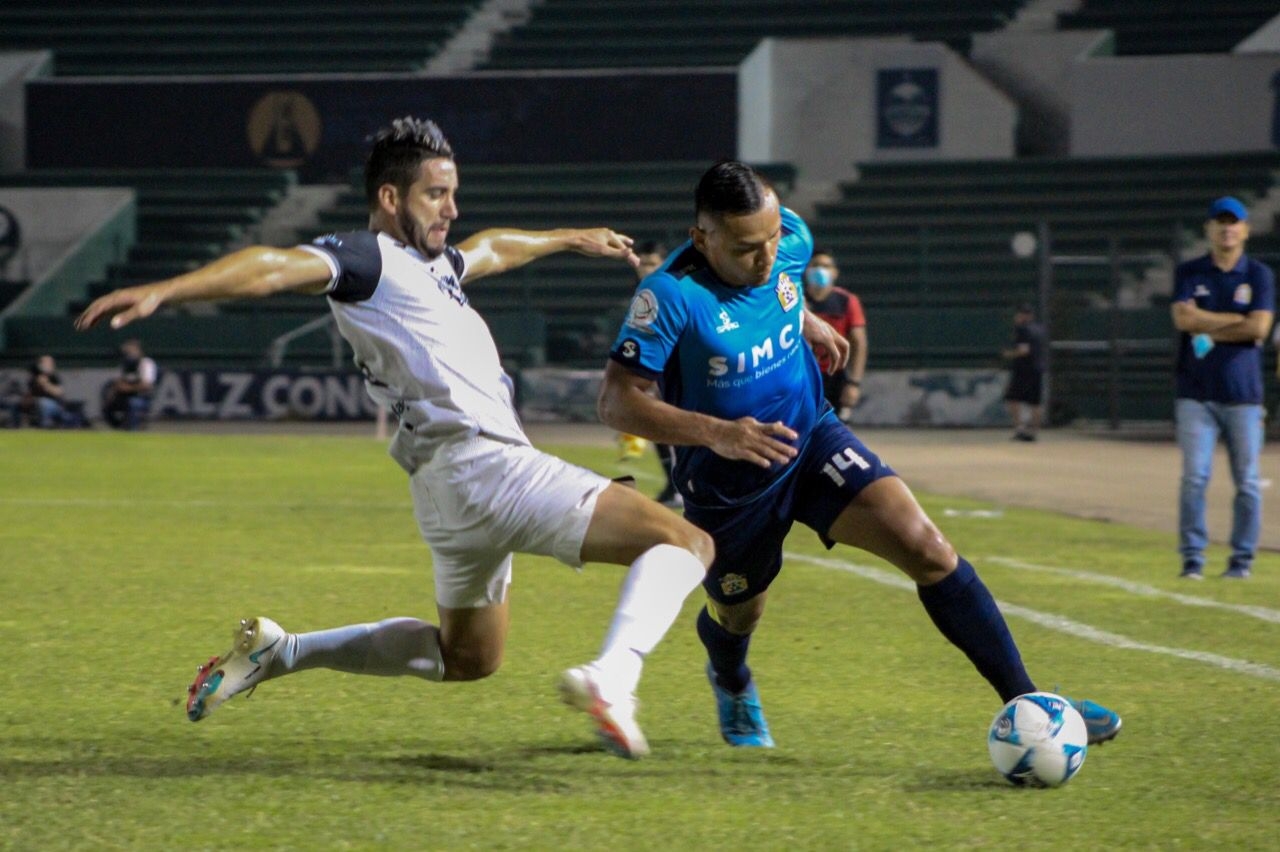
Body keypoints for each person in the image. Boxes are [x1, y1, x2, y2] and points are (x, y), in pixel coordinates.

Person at [75, 116, 717, 760]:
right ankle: (614, 676)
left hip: (447, 489)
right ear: (389, 198)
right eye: (436, 194)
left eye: (454, 193)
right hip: (485, 466)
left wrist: (566, 238)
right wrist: (166, 290)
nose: (451, 209)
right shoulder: (367, 258)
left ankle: (282, 652)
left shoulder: (434, 268)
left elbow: (493, 248)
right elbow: (272, 267)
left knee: (467, 656)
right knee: (686, 541)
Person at [599, 160, 1121, 750]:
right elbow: (617, 403)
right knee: (738, 614)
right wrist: (718, 433)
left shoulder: (789, 242)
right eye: (747, 248)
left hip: (812, 437)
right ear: (703, 239)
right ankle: (731, 676)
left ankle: (1030, 704)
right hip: (729, 485)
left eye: (772, 239)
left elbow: (777, 289)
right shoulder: (669, 296)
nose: (767, 258)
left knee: (928, 548)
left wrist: (803, 319)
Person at [1171, 196, 1275, 580]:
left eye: (1234, 223)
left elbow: (1259, 328)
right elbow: (1182, 319)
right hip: (1195, 392)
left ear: (1245, 230)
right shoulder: (1190, 271)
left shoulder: (1259, 275)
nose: (1227, 229)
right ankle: (1193, 558)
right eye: (1220, 222)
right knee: (1194, 476)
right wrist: (1234, 319)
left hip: (1244, 395)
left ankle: (1241, 560)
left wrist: (1207, 321)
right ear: (1209, 229)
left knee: (1247, 481)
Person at [618, 240, 683, 508]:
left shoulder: (670, 289)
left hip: (671, 368)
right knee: (655, 427)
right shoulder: (642, 291)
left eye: (652, 263)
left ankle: (680, 486)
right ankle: (673, 484)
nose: (646, 268)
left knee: (674, 426)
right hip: (650, 368)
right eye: (643, 263)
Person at [803, 249, 866, 422]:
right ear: (806, 269)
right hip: (803, 376)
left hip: (834, 376)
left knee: (836, 427)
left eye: (826, 266)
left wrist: (853, 383)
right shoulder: (795, 299)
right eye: (815, 265)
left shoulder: (846, 301)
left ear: (835, 272)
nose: (820, 270)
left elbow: (859, 343)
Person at [1001, 303, 1047, 442]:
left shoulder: (1022, 330)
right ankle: (1034, 433)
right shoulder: (1040, 329)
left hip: (1023, 370)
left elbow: (1023, 351)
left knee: (1012, 399)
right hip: (1038, 369)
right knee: (1035, 402)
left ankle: (1019, 429)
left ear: (1022, 316)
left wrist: (1009, 354)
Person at [102, 339, 156, 430]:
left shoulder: (146, 363)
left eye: (131, 351)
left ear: (139, 350)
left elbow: (147, 385)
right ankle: (119, 429)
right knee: (108, 406)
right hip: (123, 396)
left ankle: (132, 430)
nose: (129, 354)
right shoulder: (125, 363)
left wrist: (129, 388)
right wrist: (115, 390)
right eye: (127, 352)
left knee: (133, 404)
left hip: (141, 397)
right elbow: (118, 382)